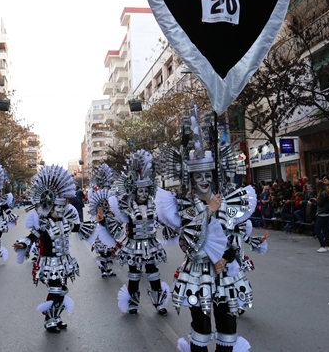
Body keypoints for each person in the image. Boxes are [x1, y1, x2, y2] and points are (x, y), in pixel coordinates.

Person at [156, 104, 257, 352]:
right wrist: (208, 210)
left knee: (228, 329)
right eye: (197, 176)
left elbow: (233, 239)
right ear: (190, 179)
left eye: (207, 175)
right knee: (200, 330)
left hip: (225, 274)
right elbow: (188, 245)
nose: (203, 180)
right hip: (198, 273)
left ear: (214, 175)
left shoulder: (228, 202)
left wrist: (225, 258)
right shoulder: (186, 207)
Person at [13, 165, 81, 333]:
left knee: (62, 290)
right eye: (58, 207)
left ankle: (56, 317)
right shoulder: (44, 223)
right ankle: (49, 319)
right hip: (49, 264)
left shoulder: (65, 221)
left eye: (63, 207)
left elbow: (78, 229)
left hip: (63, 262)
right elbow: (33, 235)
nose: (62, 209)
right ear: (50, 208)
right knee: (56, 289)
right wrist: (23, 243)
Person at [108, 153, 169, 314]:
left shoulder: (153, 205)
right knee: (134, 275)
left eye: (145, 191)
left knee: (153, 273)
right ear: (134, 192)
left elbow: (162, 220)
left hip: (150, 244)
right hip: (134, 245)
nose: (143, 194)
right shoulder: (127, 207)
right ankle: (133, 304)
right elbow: (118, 221)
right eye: (140, 191)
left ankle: (159, 304)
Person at [78, 164, 121, 280]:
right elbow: (94, 208)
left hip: (110, 223)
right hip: (100, 222)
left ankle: (109, 269)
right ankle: (103, 269)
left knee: (109, 247)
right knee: (103, 248)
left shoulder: (111, 195)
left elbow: (115, 207)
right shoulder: (96, 195)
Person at [314, 182, 329, 253]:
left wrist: (315, 200)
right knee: (326, 230)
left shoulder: (323, 194)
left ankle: (323, 245)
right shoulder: (327, 193)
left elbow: (320, 204)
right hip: (327, 213)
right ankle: (327, 245)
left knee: (317, 230)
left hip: (322, 214)